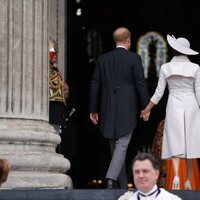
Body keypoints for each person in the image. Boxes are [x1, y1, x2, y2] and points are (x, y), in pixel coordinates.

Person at [89, 27, 149, 189]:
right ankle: (110, 179)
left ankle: (122, 186)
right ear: (128, 40)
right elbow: (140, 84)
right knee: (121, 146)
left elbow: (95, 84)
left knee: (117, 149)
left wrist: (93, 110)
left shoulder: (103, 59)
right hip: (127, 109)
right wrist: (146, 107)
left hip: (107, 108)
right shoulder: (134, 59)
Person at [141, 35, 200, 190]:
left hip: (174, 105)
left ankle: (175, 176)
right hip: (192, 105)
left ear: (174, 50)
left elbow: (158, 93)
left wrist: (147, 109)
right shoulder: (195, 68)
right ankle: (187, 180)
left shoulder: (166, 67)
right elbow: (199, 92)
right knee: (189, 143)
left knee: (175, 141)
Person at [49, 37, 69, 136]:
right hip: (49, 109)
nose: (56, 54)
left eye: (56, 52)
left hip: (57, 110)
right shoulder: (42, 70)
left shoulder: (56, 71)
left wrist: (65, 90)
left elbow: (63, 89)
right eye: (53, 51)